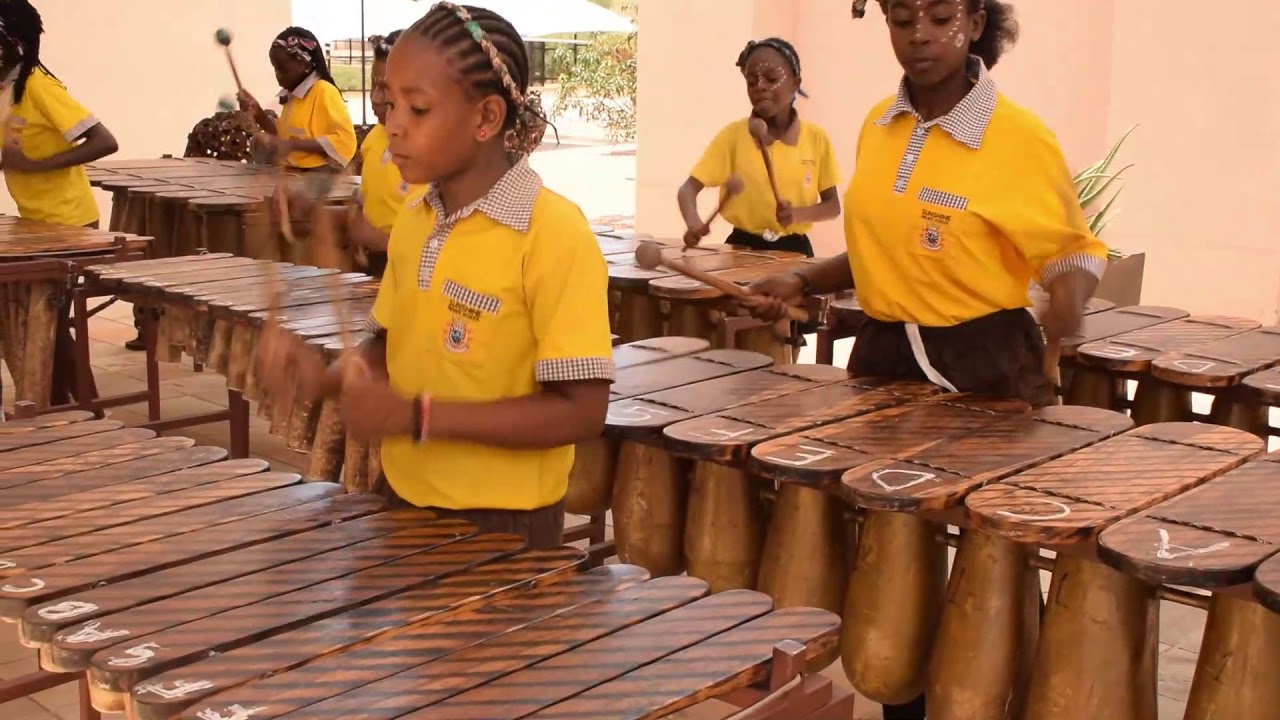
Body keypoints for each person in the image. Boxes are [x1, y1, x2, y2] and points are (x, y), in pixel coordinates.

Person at [745, 2, 1105, 716]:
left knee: (991, 560)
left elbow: (1072, 248)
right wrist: (803, 279)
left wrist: (1069, 300)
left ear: (974, 21)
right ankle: (899, 704)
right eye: (902, 17)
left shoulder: (1018, 137)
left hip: (988, 367)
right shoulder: (881, 124)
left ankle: (1002, 698)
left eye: (938, 16)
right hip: (887, 362)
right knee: (894, 561)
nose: (919, 35)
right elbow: (888, 243)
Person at [253, 2, 614, 550]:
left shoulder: (553, 232)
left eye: (417, 110)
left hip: (506, 525)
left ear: (486, 119)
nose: (391, 126)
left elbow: (581, 412)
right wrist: (326, 376)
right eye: (389, 103)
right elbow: (393, 343)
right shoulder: (416, 220)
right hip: (404, 495)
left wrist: (419, 417)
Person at [0, 1, 123, 382]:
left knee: (47, 322)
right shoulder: (6, 88)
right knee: (37, 322)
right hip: (34, 224)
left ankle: (86, 411)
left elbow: (104, 141)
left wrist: (35, 165)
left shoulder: (39, 86)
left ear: (13, 43)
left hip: (69, 223)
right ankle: (57, 402)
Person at [676, 37, 841, 258]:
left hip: (794, 249)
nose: (760, 86)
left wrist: (797, 214)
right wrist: (694, 222)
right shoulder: (732, 136)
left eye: (771, 78)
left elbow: (833, 206)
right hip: (740, 249)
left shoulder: (816, 139)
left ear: (795, 83)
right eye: (752, 82)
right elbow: (687, 190)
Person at [346, 30, 416, 278]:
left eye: (384, 88)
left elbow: (438, 243)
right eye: (373, 85)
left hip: (409, 273)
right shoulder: (375, 137)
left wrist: (380, 240)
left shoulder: (429, 154)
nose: (374, 98)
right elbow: (368, 196)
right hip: (373, 266)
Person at [238, 27, 357, 171]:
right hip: (293, 175)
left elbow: (344, 140)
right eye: (275, 69)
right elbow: (281, 138)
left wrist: (292, 146)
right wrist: (258, 113)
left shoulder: (324, 91)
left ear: (304, 63)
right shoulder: (293, 96)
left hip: (318, 179)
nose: (278, 75)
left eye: (282, 69)